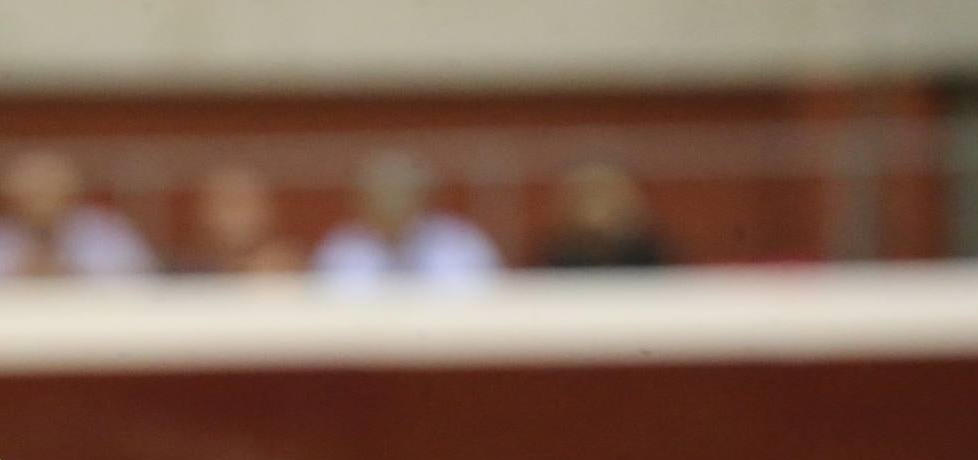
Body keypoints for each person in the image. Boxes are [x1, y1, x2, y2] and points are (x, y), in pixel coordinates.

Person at [0, 150, 155, 279]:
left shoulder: (103, 233)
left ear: (71, 193)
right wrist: (12, 273)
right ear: (11, 198)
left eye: (50, 191)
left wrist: (70, 273)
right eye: (32, 193)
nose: (41, 202)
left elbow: (141, 275)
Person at [313, 153, 501, 288]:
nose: (392, 202)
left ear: (424, 195)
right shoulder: (342, 247)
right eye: (383, 192)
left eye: (401, 191)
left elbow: (482, 299)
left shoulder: (460, 241)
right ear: (363, 199)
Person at [539, 162, 671, 270]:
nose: (597, 205)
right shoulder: (546, 278)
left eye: (603, 193)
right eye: (590, 194)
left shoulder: (667, 280)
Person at [179, 166, 306, 275]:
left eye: (242, 203)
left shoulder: (292, 270)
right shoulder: (182, 274)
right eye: (226, 204)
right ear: (203, 212)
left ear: (267, 210)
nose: (236, 217)